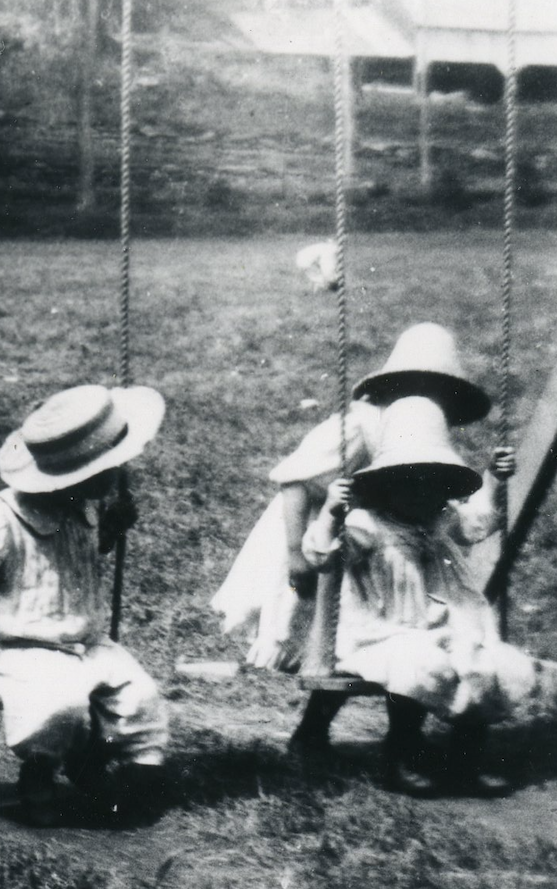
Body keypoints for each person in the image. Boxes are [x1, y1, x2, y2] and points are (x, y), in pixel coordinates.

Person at [209, 323, 494, 764]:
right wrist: (294, 552)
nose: (431, 394)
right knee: (327, 636)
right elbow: (296, 481)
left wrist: (495, 479)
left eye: (442, 388)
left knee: (359, 632)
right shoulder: (362, 422)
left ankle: (397, 733)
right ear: (395, 381)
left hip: (394, 537)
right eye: (422, 383)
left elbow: (457, 507)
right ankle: (313, 730)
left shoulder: (424, 423)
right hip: (325, 526)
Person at [0, 384, 169, 826]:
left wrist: (111, 531)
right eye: (109, 468)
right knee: (57, 706)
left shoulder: (84, 509)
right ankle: (39, 771)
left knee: (143, 699)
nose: (119, 474)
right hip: (28, 649)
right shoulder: (0, 519)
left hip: (92, 645)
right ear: (75, 475)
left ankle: (128, 780)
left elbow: (77, 559)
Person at [303, 396, 528, 795]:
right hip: (382, 634)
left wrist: (493, 478)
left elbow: (478, 522)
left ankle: (464, 763)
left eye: (433, 484)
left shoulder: (441, 518)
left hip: (444, 627)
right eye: (408, 482)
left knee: (484, 662)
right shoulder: (366, 524)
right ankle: (400, 756)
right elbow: (323, 555)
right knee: (421, 664)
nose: (421, 494)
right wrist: (330, 513)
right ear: (384, 485)